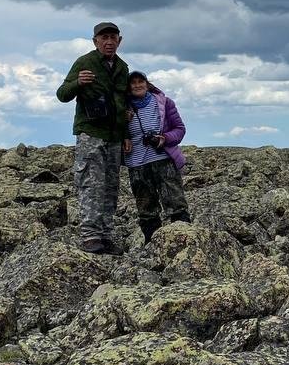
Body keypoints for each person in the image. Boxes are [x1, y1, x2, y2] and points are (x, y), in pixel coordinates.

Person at [56, 22, 130, 253]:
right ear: (95, 41)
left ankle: (105, 236)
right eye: (104, 38)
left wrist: (126, 135)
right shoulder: (84, 62)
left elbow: (123, 104)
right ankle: (90, 236)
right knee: (91, 184)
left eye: (113, 37)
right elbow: (62, 94)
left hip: (114, 136)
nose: (109, 42)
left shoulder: (122, 68)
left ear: (119, 41)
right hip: (91, 134)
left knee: (110, 187)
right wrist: (78, 82)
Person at [123, 71, 191, 243]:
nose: (137, 85)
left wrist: (164, 139)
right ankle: (152, 245)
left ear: (147, 84)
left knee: (176, 204)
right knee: (146, 209)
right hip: (136, 164)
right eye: (133, 82)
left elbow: (179, 129)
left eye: (141, 81)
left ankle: (185, 241)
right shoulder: (122, 108)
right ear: (128, 87)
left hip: (164, 160)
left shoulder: (164, 103)